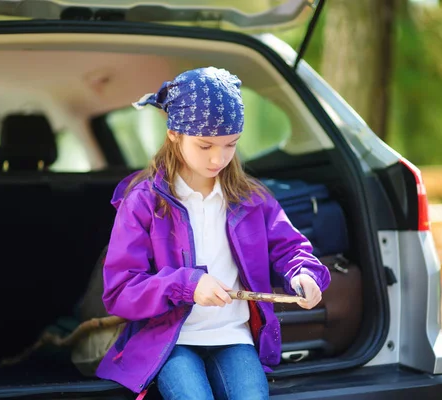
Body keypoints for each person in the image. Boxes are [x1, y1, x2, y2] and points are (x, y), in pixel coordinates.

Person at [96, 67, 331, 400]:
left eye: (231, 145)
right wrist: (187, 285)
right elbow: (119, 290)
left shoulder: (251, 198)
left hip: (234, 336)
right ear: (174, 134)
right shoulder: (143, 201)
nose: (218, 158)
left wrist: (304, 274)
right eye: (205, 145)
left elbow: (290, 248)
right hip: (169, 340)